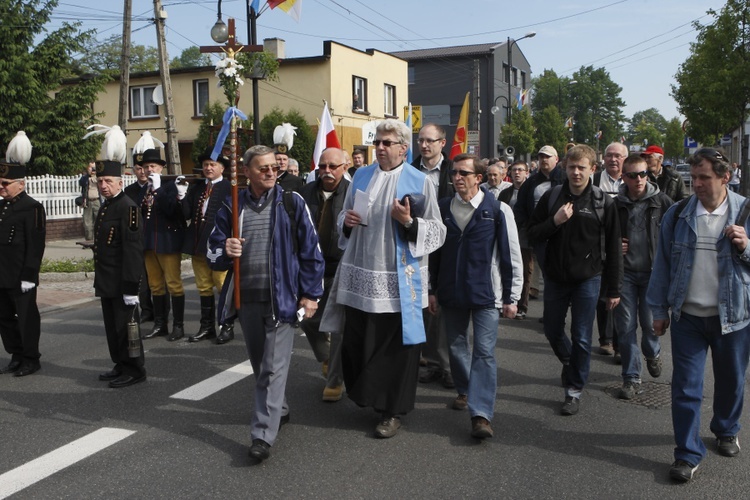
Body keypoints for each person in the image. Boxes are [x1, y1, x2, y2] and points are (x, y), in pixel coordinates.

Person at [322, 119, 446, 438]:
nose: (379, 147)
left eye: (387, 143)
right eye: (377, 142)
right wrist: (346, 222)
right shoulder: (360, 176)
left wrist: (408, 223)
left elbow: (437, 230)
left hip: (398, 279)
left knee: (395, 350)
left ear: (403, 148)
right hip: (362, 273)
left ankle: (392, 410)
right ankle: (369, 398)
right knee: (360, 341)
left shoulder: (419, 181)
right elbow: (344, 218)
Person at [208, 144, 324, 462]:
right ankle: (280, 409)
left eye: (274, 166)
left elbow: (311, 252)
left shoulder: (291, 202)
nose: (271, 172)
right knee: (262, 365)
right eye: (263, 168)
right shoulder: (233, 206)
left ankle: (262, 435)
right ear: (247, 172)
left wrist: (311, 295)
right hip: (247, 301)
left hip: (281, 300)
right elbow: (212, 251)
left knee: (271, 370)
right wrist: (226, 250)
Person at [647, 147, 750, 483]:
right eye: (694, 178)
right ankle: (687, 453)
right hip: (687, 317)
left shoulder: (745, 212)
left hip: (733, 318)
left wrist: (746, 245)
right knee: (686, 387)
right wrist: (658, 310)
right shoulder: (677, 215)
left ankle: (726, 428)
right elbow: (661, 264)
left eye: (704, 177)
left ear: (725, 176)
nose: (697, 184)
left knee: (731, 382)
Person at [429, 153, 522, 438]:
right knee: (457, 348)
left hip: (486, 295)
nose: (457, 178)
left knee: (483, 353)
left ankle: (481, 414)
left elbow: (511, 255)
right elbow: (434, 253)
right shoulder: (443, 208)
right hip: (451, 292)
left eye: (463, 173)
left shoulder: (497, 210)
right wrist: (432, 290)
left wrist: (512, 296)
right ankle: (465, 389)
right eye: (454, 173)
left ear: (478, 178)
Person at [527, 144, 622, 416]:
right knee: (552, 330)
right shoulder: (552, 197)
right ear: (565, 168)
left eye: (582, 168)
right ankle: (571, 362)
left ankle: (573, 390)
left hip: (587, 279)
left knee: (581, 337)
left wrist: (614, 288)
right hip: (556, 278)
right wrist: (555, 221)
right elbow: (533, 233)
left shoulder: (604, 202)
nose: (576, 172)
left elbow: (614, 247)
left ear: (593, 169)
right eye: (571, 167)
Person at [613, 154, 673, 399]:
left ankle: (653, 353)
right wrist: (614, 246)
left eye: (643, 174)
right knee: (625, 328)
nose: (638, 179)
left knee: (650, 327)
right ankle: (631, 377)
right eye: (633, 175)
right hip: (625, 274)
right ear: (624, 177)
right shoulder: (615, 205)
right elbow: (603, 237)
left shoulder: (663, 202)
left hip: (652, 275)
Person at [299, 147, 350, 402]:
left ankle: (335, 381)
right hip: (310, 269)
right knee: (308, 319)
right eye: (323, 166)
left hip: (341, 267)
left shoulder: (353, 193)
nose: (327, 171)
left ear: (345, 166)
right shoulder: (305, 193)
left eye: (333, 166)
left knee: (339, 327)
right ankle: (328, 357)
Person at [92, 159, 146, 388]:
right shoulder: (107, 206)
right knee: (112, 327)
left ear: (120, 182)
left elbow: (133, 249)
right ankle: (120, 363)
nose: (103, 185)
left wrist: (132, 287)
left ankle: (134, 369)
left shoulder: (128, 207)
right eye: (100, 181)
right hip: (107, 279)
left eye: (108, 181)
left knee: (127, 328)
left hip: (123, 280)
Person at [412, 123, 455, 390]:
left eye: (430, 141)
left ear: (442, 142)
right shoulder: (410, 171)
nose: (424, 145)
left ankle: (449, 365)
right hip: (417, 242)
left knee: (446, 306)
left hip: (448, 244)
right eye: (421, 141)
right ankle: (430, 360)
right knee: (426, 305)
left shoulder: (453, 171)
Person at [0, 132, 45, 377]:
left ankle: (31, 358)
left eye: (5, 184)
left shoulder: (32, 208)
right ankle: (16, 354)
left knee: (27, 318)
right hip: (2, 273)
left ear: (21, 184)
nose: (1, 187)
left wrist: (30, 274)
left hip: (20, 275)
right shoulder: (2, 207)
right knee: (5, 318)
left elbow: (35, 245)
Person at [180, 148, 235, 344]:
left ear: (222, 168)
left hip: (218, 244)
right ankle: (207, 327)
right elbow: (186, 213)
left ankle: (227, 325)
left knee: (222, 286)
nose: (208, 168)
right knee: (203, 286)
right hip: (197, 243)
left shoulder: (229, 187)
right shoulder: (197, 187)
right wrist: (182, 196)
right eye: (205, 165)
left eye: (212, 165)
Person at [136, 148, 186, 342]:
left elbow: (172, 210)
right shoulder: (144, 188)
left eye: (153, 166)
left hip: (167, 240)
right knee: (155, 285)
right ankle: (160, 324)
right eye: (146, 166)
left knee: (173, 283)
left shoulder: (170, 186)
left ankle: (179, 326)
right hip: (149, 242)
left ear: (162, 168)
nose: (149, 169)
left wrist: (157, 190)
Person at [593, 142, 627, 356]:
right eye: (609, 155)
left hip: (625, 246)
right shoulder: (594, 181)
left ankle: (620, 342)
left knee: (621, 295)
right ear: (603, 159)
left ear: (625, 159)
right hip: (599, 245)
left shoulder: (635, 180)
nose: (613, 159)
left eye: (618, 156)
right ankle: (605, 338)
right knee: (601, 294)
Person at [124, 159, 159, 323]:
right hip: (137, 238)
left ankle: (161, 310)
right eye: (139, 169)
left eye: (145, 168)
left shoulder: (155, 187)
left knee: (157, 277)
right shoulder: (130, 190)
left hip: (154, 235)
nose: (143, 172)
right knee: (142, 277)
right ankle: (146, 309)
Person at [500, 161, 531, 319]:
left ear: (527, 172)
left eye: (520, 170)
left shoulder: (531, 190)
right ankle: (505, 300)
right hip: (506, 235)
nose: (517, 173)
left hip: (525, 235)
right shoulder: (506, 192)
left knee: (525, 271)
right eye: (514, 170)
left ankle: (522, 305)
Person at [78, 161, 101, 240]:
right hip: (87, 201)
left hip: (97, 201)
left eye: (94, 167)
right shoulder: (85, 178)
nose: (93, 169)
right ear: (88, 168)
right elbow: (81, 183)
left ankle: (98, 240)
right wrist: (88, 175)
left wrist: (97, 175)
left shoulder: (99, 177)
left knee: (98, 221)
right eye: (91, 167)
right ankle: (88, 240)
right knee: (87, 222)